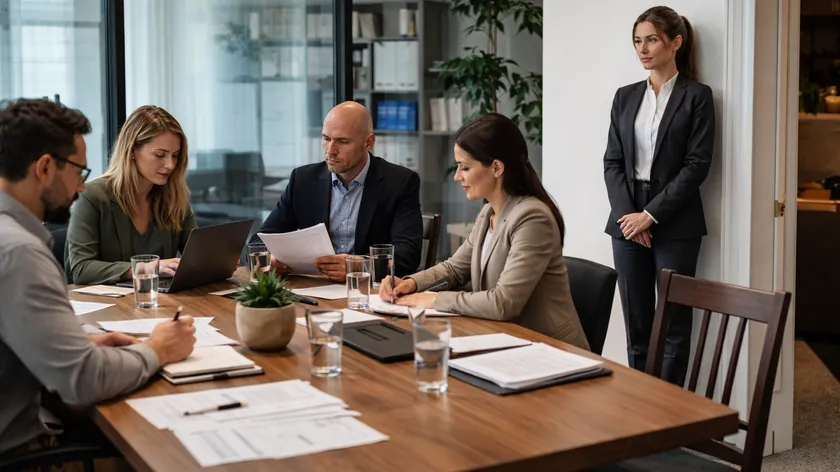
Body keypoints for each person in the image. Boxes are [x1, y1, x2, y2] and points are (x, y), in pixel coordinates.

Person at [0, 98, 196, 456]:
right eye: (78, 172)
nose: (80, 187)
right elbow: (84, 381)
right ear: (45, 167)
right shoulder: (20, 253)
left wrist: (81, 342)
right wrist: (158, 349)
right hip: (22, 447)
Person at [379, 113, 590, 349]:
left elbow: (504, 302)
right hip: (504, 339)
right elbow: (455, 269)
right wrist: (410, 284)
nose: (457, 176)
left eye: (465, 167)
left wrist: (435, 300)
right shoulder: (489, 212)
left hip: (548, 349)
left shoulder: (532, 217)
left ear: (497, 168)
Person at [603, 6, 715, 385]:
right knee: (637, 326)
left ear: (675, 42)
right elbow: (612, 163)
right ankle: (641, 410)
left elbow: (696, 166)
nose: (643, 49)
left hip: (675, 221)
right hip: (626, 218)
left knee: (674, 328)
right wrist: (630, 218)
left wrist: (649, 216)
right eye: (638, 41)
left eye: (651, 39)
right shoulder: (625, 96)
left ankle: (670, 418)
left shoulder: (697, 96)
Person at [256, 101, 422, 282]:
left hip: (367, 292)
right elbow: (260, 241)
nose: (331, 151)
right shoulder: (303, 179)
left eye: (343, 141)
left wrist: (360, 266)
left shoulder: (399, 182)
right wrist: (268, 260)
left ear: (368, 143)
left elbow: (408, 256)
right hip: (312, 288)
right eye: (326, 139)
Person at [65, 105, 196, 285]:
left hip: (160, 304)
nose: (170, 165)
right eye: (160, 155)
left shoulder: (174, 196)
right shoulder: (91, 196)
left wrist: (215, 261)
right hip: (107, 308)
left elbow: (195, 255)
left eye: (175, 156)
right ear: (133, 150)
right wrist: (145, 268)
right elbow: (81, 269)